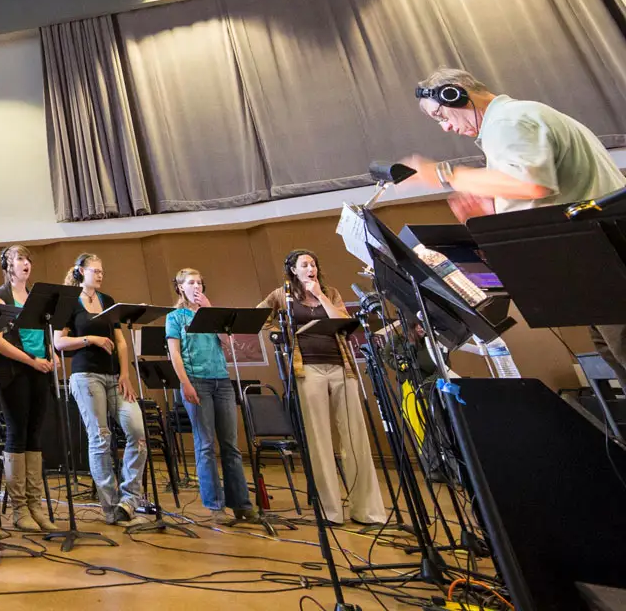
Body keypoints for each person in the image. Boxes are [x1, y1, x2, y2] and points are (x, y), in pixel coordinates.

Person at [402, 66, 626, 384]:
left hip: (608, 263)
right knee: (612, 351)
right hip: (601, 264)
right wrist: (490, 211)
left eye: (441, 115)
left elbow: (532, 184)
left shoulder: (508, 122)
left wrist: (444, 174)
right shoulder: (510, 126)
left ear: (455, 94)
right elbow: (535, 195)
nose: (446, 127)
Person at [257, 250, 385, 526]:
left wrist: (321, 295)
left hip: (341, 366)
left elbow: (342, 320)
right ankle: (331, 510)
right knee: (319, 440)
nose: (310, 268)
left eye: (313, 264)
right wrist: (278, 337)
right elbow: (260, 318)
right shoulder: (282, 295)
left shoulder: (331, 292)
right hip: (307, 369)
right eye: (304, 265)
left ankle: (366, 509)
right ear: (293, 269)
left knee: (355, 436)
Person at [54, 253, 146, 525]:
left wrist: (126, 374)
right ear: (81, 271)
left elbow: (121, 342)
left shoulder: (108, 301)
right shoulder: (69, 302)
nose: (100, 274)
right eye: (95, 270)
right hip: (85, 376)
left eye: (102, 270)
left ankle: (129, 500)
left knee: (138, 432)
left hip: (114, 377)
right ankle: (110, 506)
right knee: (100, 438)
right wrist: (89, 338)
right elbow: (59, 343)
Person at [166, 268, 256, 527]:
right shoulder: (175, 317)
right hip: (196, 382)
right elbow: (175, 354)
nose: (196, 286)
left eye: (199, 282)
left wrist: (210, 310)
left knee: (231, 445)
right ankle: (215, 506)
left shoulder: (213, 314)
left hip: (222, 381)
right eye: (190, 282)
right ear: (180, 288)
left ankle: (241, 504)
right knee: (205, 444)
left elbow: (228, 343)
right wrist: (185, 384)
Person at [0, 244, 55, 531]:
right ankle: (19, 510)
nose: (25, 264)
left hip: (40, 372)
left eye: (28, 259)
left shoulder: (36, 298)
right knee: (17, 434)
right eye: (19, 259)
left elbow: (44, 332)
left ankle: (35, 506)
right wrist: (31, 360)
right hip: (15, 373)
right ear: (8, 266)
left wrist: (50, 356)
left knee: (34, 435)